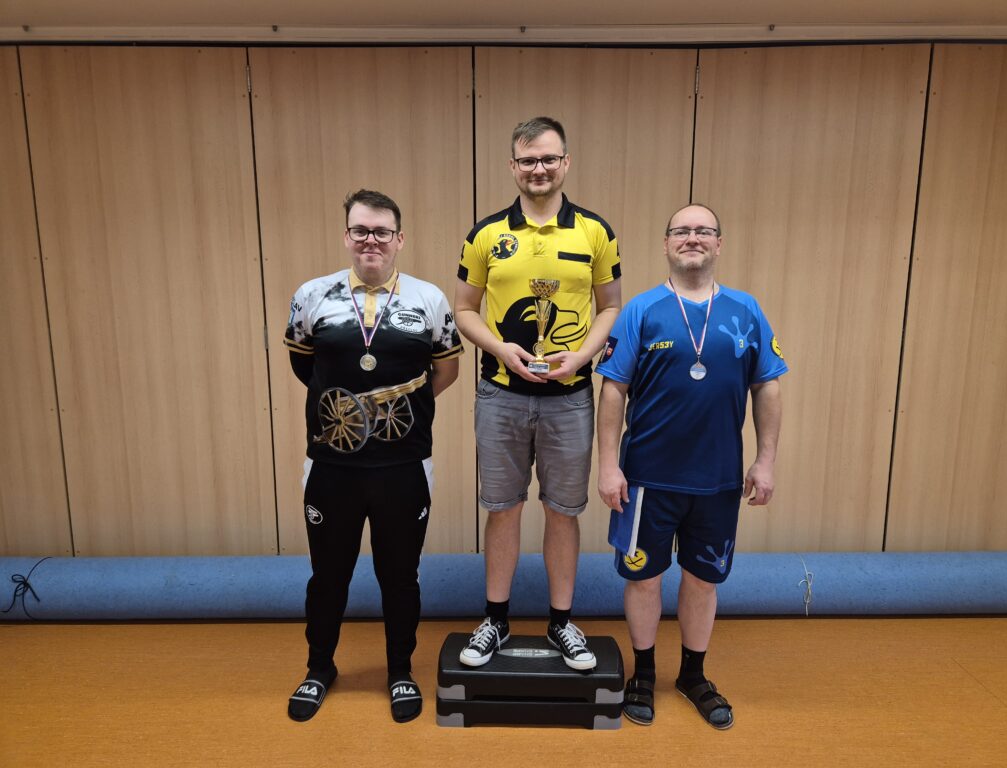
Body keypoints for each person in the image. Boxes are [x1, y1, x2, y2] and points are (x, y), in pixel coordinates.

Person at [595, 203, 786, 728]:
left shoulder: (746, 309)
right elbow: (613, 390)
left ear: (719, 243)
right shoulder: (641, 310)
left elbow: (767, 386)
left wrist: (765, 461)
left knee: (703, 580)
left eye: (704, 231)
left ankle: (693, 675)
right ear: (666, 243)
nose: (692, 238)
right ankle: (643, 673)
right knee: (644, 579)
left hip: (718, 480)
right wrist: (608, 465)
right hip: (646, 480)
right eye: (682, 231)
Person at [283, 189, 462, 723]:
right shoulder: (312, 295)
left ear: (399, 239)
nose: (371, 241)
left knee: (400, 576)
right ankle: (319, 668)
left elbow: (445, 370)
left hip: (404, 466)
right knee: (328, 576)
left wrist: (398, 410)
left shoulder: (429, 299)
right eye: (360, 230)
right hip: (331, 466)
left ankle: (400, 671)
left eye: (382, 231)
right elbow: (306, 367)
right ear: (346, 236)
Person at [454, 116, 622, 670]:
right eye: (528, 160)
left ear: (565, 162)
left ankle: (561, 622)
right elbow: (464, 310)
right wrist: (501, 349)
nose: (539, 169)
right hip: (500, 395)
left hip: (570, 398)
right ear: (513, 166)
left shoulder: (595, 232)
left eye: (549, 158)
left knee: (562, 512)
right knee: (503, 509)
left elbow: (611, 307)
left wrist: (584, 356)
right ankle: (495, 620)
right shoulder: (485, 235)